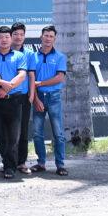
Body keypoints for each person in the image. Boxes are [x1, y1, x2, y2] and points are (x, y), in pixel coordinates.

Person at [0, 26, 27, 180]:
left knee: (12, 137)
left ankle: (10, 167)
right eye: (1, 37)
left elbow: (22, 75)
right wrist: (5, 84)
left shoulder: (19, 56)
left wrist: (6, 88)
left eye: (7, 37)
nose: (4, 40)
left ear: (11, 39)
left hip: (14, 100)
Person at [31, 25, 68, 176]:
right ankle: (41, 162)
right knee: (37, 133)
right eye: (46, 35)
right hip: (38, 97)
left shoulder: (60, 57)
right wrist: (35, 99)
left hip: (54, 97)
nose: (48, 38)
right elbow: (31, 79)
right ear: (41, 37)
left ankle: (60, 164)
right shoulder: (33, 57)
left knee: (58, 133)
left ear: (54, 39)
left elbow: (59, 78)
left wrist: (40, 83)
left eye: (51, 36)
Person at [11, 22, 38, 175]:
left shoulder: (29, 54)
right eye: (16, 34)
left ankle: (21, 162)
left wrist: (32, 95)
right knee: (7, 131)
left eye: (21, 34)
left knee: (22, 130)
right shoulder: (5, 51)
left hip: (23, 97)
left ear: (24, 36)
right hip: (6, 96)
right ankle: (8, 162)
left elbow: (31, 75)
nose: (18, 37)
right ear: (11, 36)